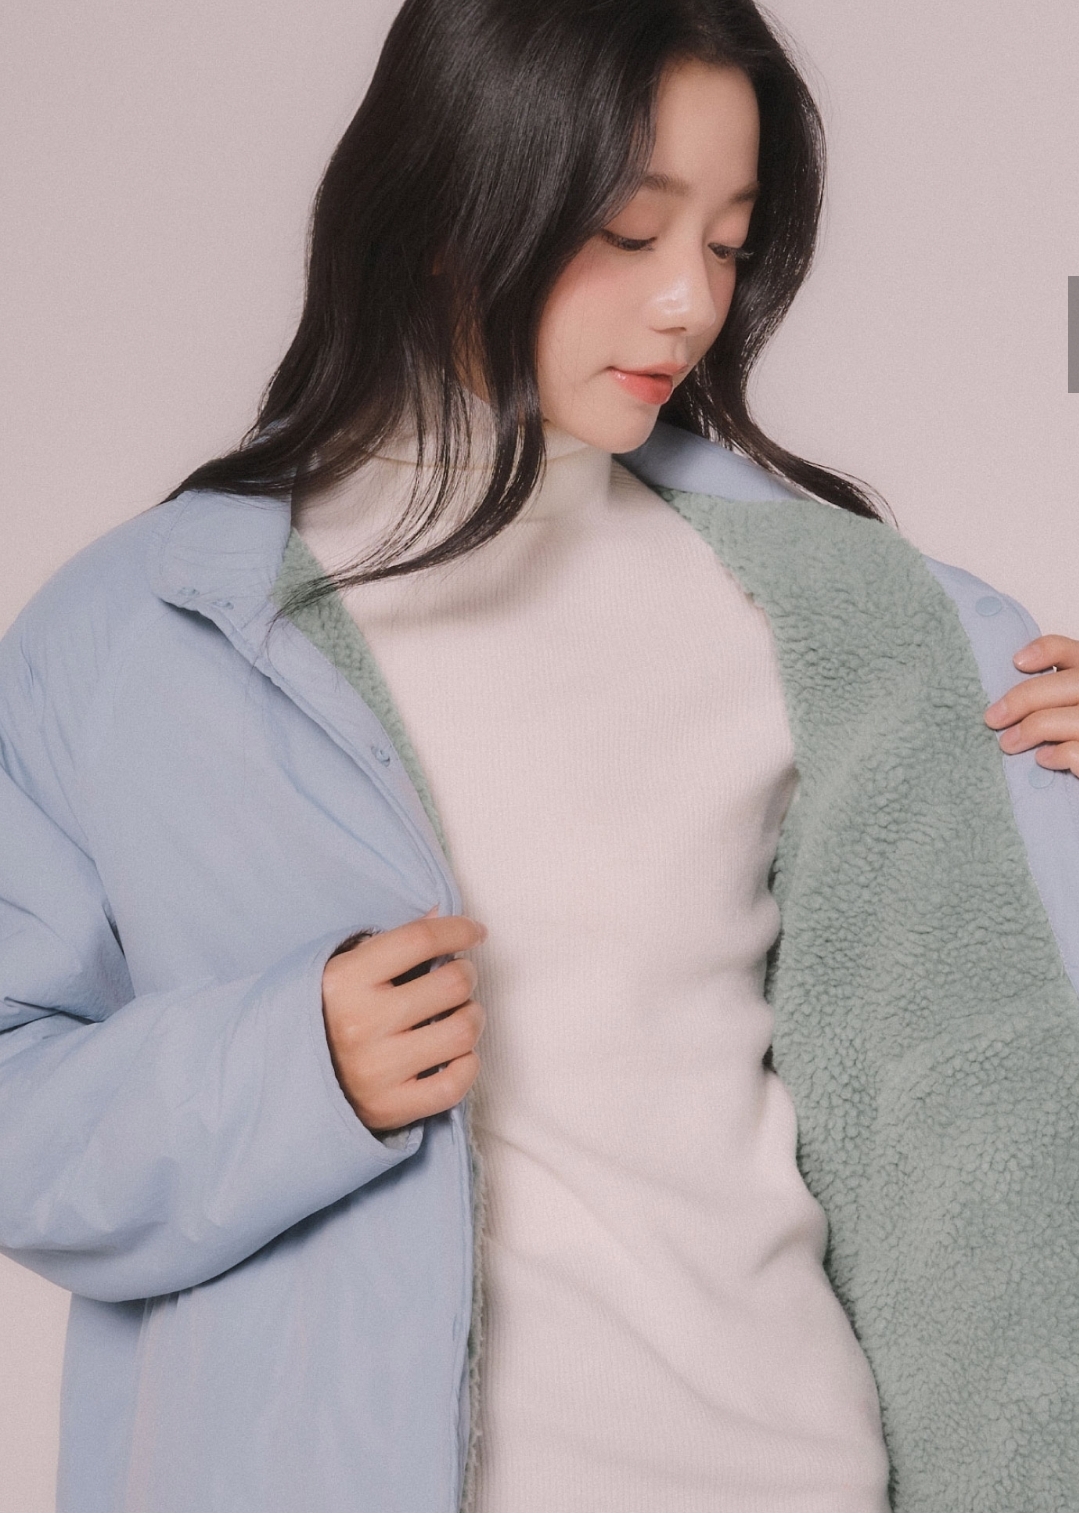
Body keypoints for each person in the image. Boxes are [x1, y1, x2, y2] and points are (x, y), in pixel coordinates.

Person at [1, 2, 1077, 1511]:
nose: (690, 303)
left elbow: (980, 1109)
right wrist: (292, 1067)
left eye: (727, 242)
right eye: (632, 233)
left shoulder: (824, 618)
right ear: (452, 208)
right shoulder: (141, 638)